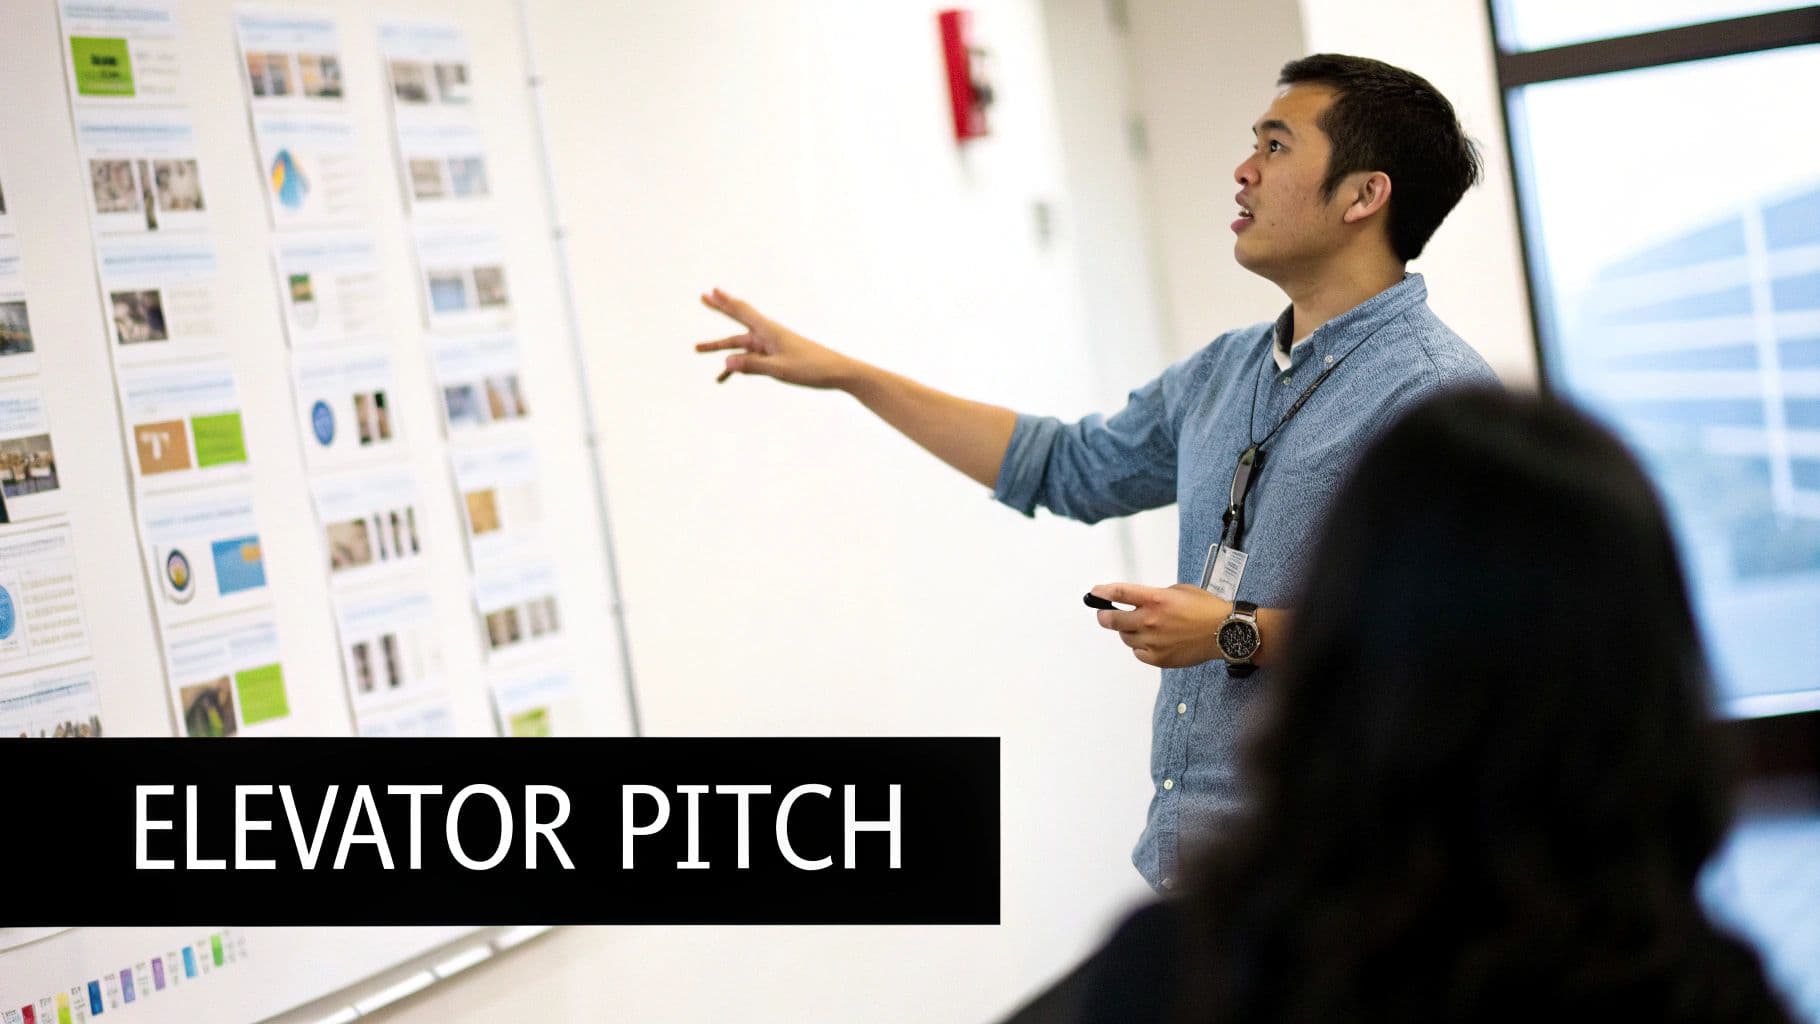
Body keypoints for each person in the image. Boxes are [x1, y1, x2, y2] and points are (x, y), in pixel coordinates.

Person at [696, 54, 1498, 890]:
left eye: (1275, 145)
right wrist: (850, 376)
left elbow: (1463, 645)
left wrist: (1239, 630)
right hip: (1196, 872)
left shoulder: (1436, 399)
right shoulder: (1227, 371)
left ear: (1364, 195)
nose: (1244, 169)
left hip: (1346, 892)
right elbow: (1064, 466)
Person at [1050, 389, 1794, 1023]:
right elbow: (1069, 462)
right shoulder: (1711, 995)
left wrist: (1231, 629)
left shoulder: (1177, 973)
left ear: (1338, 656)